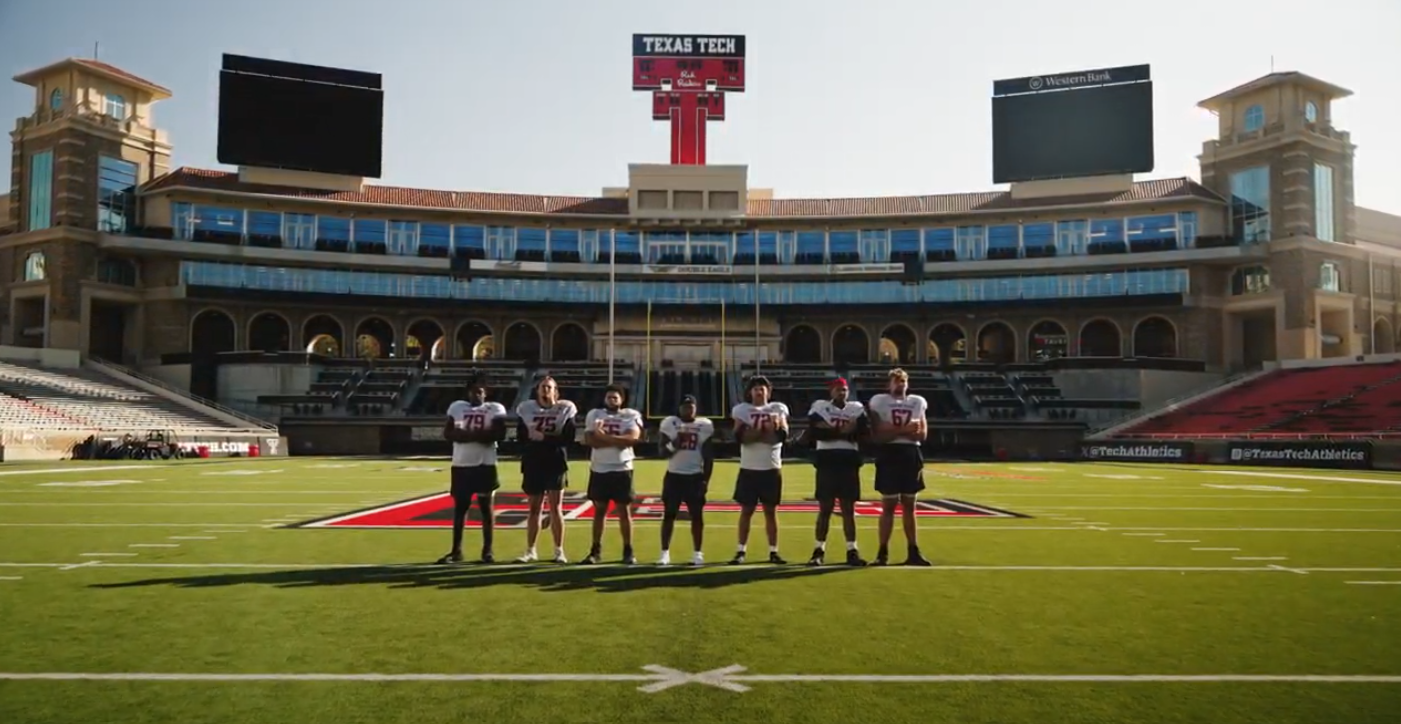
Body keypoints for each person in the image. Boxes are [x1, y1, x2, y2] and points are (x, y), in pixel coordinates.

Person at [436, 376, 508, 564]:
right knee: (460, 509)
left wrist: (466, 435)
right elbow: (449, 434)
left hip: (485, 464)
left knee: (486, 509)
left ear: (486, 393)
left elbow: (498, 434)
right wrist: (479, 435)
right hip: (461, 464)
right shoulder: (457, 407)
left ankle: (488, 551)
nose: (476, 394)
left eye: (480, 391)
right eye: (473, 390)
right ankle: (456, 551)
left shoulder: (495, 408)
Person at [866, 368, 933, 566]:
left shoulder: (917, 402)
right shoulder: (880, 401)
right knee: (888, 505)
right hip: (890, 454)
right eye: (896, 380)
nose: (900, 384)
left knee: (909, 505)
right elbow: (879, 434)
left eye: (903, 380)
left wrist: (894, 430)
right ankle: (882, 552)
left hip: (910, 454)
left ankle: (913, 550)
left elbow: (921, 434)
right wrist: (905, 429)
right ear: (889, 384)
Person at [805, 377, 869, 566]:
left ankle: (852, 550)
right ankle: (818, 550)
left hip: (849, 459)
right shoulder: (820, 406)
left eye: (844, 389)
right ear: (830, 390)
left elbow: (863, 433)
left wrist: (832, 429)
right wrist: (845, 431)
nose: (841, 392)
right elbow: (815, 431)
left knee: (848, 509)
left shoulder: (856, 407)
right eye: (838, 389)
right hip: (827, 459)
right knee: (825, 508)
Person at [514, 375, 577, 564]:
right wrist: (540, 438)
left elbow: (568, 438)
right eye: (543, 387)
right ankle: (530, 550)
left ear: (556, 391)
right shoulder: (526, 408)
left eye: (549, 387)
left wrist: (543, 438)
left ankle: (559, 550)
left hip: (555, 462)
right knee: (534, 508)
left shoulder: (565, 408)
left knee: (556, 508)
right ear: (537, 390)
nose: (546, 390)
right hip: (534, 461)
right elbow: (521, 437)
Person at [728, 375, 789, 565]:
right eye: (755, 388)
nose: (759, 391)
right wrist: (764, 430)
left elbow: (781, 435)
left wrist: (754, 431)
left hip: (771, 467)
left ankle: (773, 551)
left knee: (771, 511)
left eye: (762, 388)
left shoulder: (778, 408)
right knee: (746, 510)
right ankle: (740, 551)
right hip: (749, 467)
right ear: (749, 392)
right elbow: (740, 437)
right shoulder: (742, 409)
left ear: (768, 391)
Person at [581, 384, 644, 565]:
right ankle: (595, 550)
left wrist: (603, 436)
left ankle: (628, 550)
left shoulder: (631, 415)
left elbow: (632, 439)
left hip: (622, 468)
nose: (612, 400)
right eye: (609, 397)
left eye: (615, 397)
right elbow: (591, 441)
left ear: (622, 399)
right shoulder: (595, 414)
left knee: (624, 511)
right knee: (599, 510)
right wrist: (615, 440)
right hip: (600, 467)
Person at [657, 395, 715, 566]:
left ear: (696, 408)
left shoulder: (704, 425)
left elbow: (709, 456)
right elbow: (661, 452)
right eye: (685, 406)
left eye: (691, 407)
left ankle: (698, 553)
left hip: (695, 476)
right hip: (674, 475)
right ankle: (664, 553)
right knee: (669, 515)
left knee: (697, 516)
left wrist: (706, 480)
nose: (688, 410)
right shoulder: (670, 423)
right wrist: (674, 444)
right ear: (679, 408)